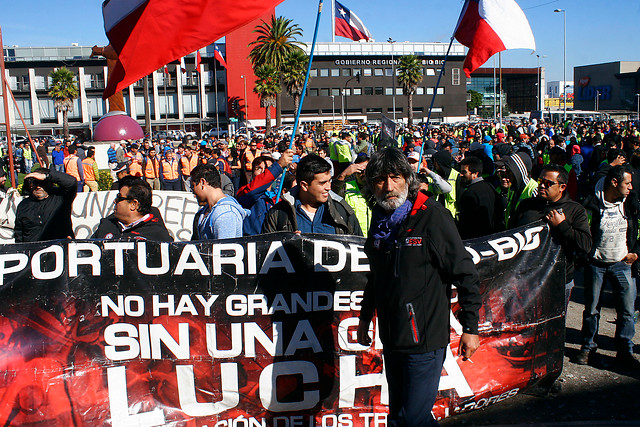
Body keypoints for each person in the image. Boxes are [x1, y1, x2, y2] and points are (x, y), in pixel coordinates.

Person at [356, 148, 481, 427]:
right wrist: (365, 317)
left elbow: (465, 272)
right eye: (379, 179)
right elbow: (376, 276)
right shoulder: (380, 217)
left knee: (413, 419)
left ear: (408, 179)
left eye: (395, 177)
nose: (388, 187)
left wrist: (471, 328)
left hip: (424, 337)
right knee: (400, 416)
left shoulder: (431, 215)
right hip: (392, 335)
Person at [575, 165, 640, 370]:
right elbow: (583, 231)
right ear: (614, 183)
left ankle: (624, 350)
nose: (630, 187)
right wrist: (586, 255)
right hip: (596, 264)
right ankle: (588, 347)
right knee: (592, 309)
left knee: (627, 311)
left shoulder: (631, 202)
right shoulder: (592, 202)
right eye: (627, 183)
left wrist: (636, 253)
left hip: (623, 264)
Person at [514, 164, 591, 307]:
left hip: (557, 280)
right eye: (540, 181)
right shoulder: (527, 205)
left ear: (562, 187)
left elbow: (585, 245)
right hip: (525, 278)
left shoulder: (575, 210)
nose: (542, 186)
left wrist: (562, 225)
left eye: (548, 183)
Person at [262, 154, 362, 236]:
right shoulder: (279, 215)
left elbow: (359, 249)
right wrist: (284, 244)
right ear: (304, 186)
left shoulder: (342, 212)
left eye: (329, 181)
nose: (328, 187)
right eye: (322, 183)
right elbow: (264, 254)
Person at [93, 176, 172, 241]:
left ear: (133, 205)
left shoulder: (157, 236)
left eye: (119, 198)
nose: (114, 201)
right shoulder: (107, 224)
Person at [236, 150, 294, 236]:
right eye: (259, 168)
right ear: (252, 173)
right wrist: (279, 165)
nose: (263, 172)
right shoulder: (245, 192)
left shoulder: (279, 198)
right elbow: (254, 189)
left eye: (268, 169)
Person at [14, 169, 77, 242]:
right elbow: (19, 233)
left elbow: (71, 182)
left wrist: (46, 176)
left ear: (49, 184)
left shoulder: (61, 197)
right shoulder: (23, 205)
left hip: (59, 248)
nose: (38, 187)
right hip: (34, 250)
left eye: (42, 183)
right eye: (35, 183)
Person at [190, 163, 249, 240]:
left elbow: (225, 250)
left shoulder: (225, 214)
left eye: (193, 187)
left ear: (202, 182)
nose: (193, 193)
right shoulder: (206, 211)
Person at [457, 156, 504, 239]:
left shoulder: (469, 194)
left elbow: (466, 223)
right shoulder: (490, 187)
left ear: (475, 174)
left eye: (464, 172)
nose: (461, 175)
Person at [331, 154, 371, 236]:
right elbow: (331, 193)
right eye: (360, 171)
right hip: (354, 237)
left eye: (367, 170)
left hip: (374, 240)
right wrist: (344, 175)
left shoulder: (377, 188)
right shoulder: (346, 187)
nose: (364, 174)